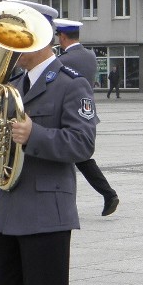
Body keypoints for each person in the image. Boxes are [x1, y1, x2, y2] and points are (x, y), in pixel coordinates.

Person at [0, 1, 97, 285]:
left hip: (47, 211)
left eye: (16, 37)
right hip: (9, 207)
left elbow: (82, 144)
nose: (8, 46)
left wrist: (34, 134)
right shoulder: (13, 86)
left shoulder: (71, 84)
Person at [53, 18, 120, 217]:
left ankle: (106, 195)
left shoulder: (63, 60)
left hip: (67, 115)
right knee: (81, 158)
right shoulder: (89, 55)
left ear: (62, 36)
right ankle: (108, 195)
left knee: (69, 158)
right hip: (86, 113)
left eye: (58, 37)